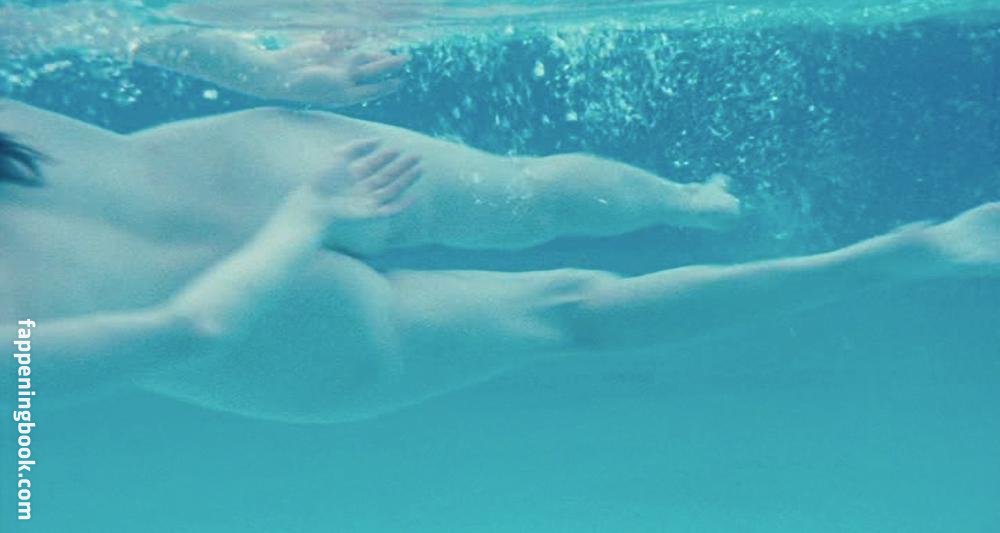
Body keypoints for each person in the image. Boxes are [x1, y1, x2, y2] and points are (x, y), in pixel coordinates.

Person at [2, 99, 997, 423]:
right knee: (529, 192)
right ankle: (694, 201)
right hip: (258, 176)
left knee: (572, 313)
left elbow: (192, 328)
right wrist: (298, 196)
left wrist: (266, 81)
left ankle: (879, 263)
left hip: (283, 335)